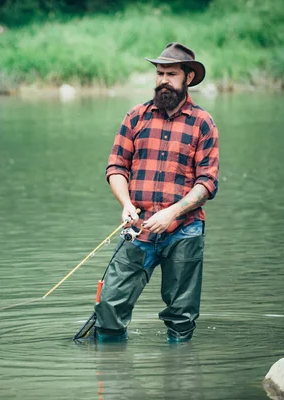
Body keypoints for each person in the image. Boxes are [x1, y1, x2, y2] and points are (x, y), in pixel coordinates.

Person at [94, 42, 220, 344]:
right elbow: (116, 167)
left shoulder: (203, 123)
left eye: (171, 74)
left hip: (184, 232)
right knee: (109, 308)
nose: (163, 80)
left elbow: (207, 183)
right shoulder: (135, 117)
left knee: (181, 317)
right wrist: (126, 204)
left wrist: (172, 213)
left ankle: (178, 373)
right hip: (138, 230)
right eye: (159, 73)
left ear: (188, 78)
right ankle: (112, 374)